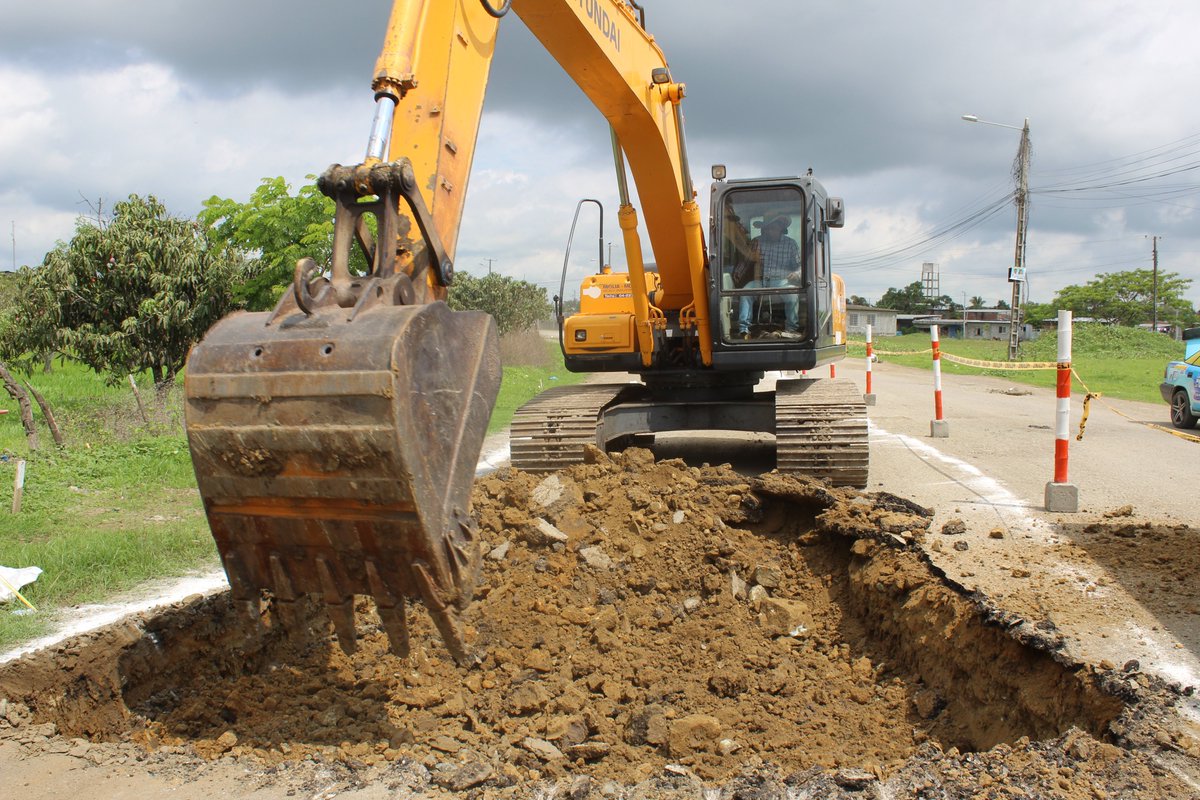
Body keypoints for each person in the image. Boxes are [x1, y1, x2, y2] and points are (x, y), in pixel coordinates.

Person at [735, 214, 801, 338]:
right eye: (769, 229)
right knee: (745, 292)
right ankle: (744, 330)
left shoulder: (790, 244)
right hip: (760, 282)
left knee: (792, 295)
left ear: (781, 228)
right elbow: (746, 261)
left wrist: (796, 274)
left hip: (782, 282)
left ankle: (791, 329)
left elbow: (799, 266)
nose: (771, 232)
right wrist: (737, 275)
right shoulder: (757, 242)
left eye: (774, 228)